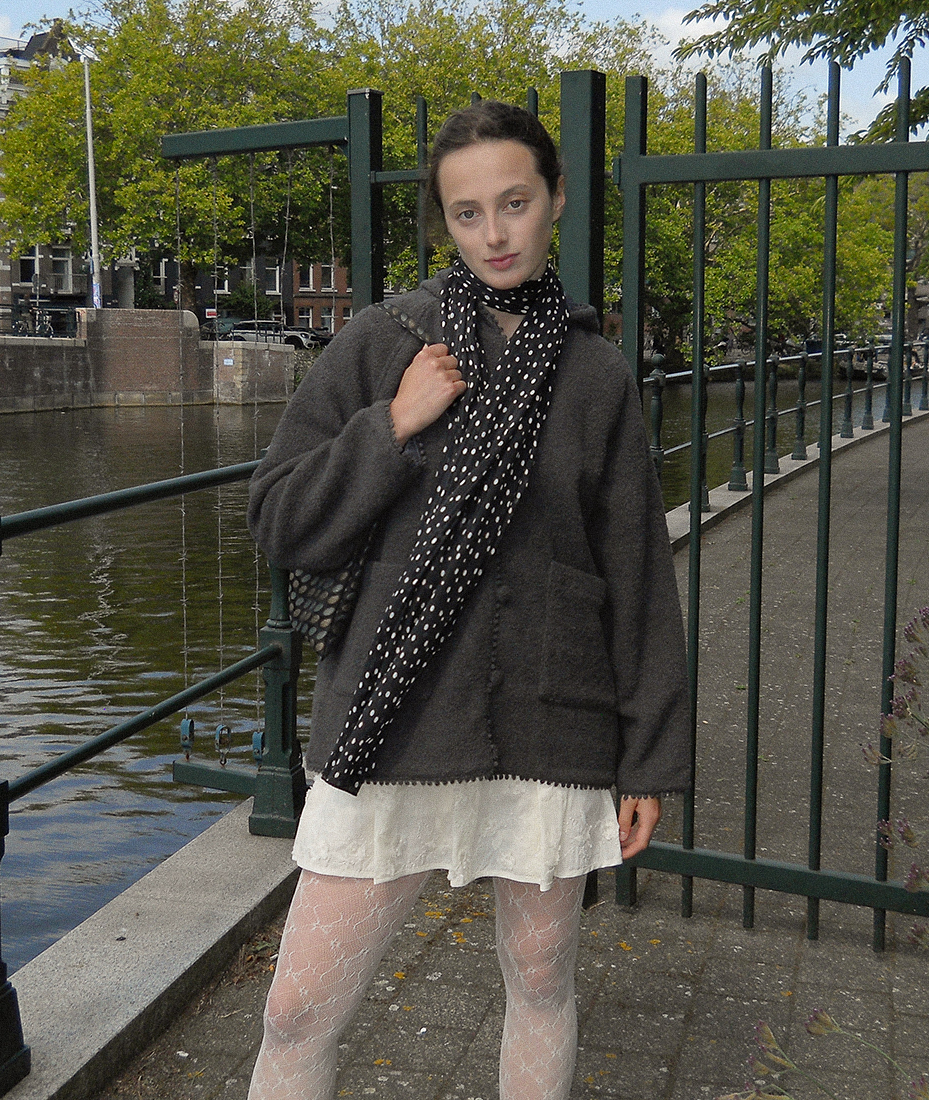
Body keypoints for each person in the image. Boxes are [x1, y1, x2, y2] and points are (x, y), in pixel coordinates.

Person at [246, 99, 690, 1100]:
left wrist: (650, 759)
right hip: (390, 719)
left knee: (539, 981)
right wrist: (390, 426)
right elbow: (277, 517)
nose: (494, 233)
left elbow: (636, 571)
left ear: (556, 199)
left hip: (550, 720)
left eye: (515, 203)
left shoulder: (596, 373)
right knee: (296, 1011)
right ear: (443, 222)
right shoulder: (381, 342)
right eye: (467, 212)